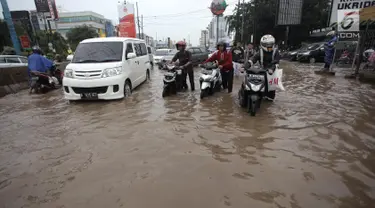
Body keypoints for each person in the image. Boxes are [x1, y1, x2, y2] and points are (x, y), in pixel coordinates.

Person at [245, 34, 281, 101]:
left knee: (271, 92)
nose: (269, 46)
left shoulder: (276, 52)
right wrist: (246, 66)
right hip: (262, 71)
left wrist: (271, 69)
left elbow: (276, 62)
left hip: (272, 72)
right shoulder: (260, 52)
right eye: (266, 44)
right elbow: (253, 59)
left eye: (270, 44)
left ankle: (269, 98)